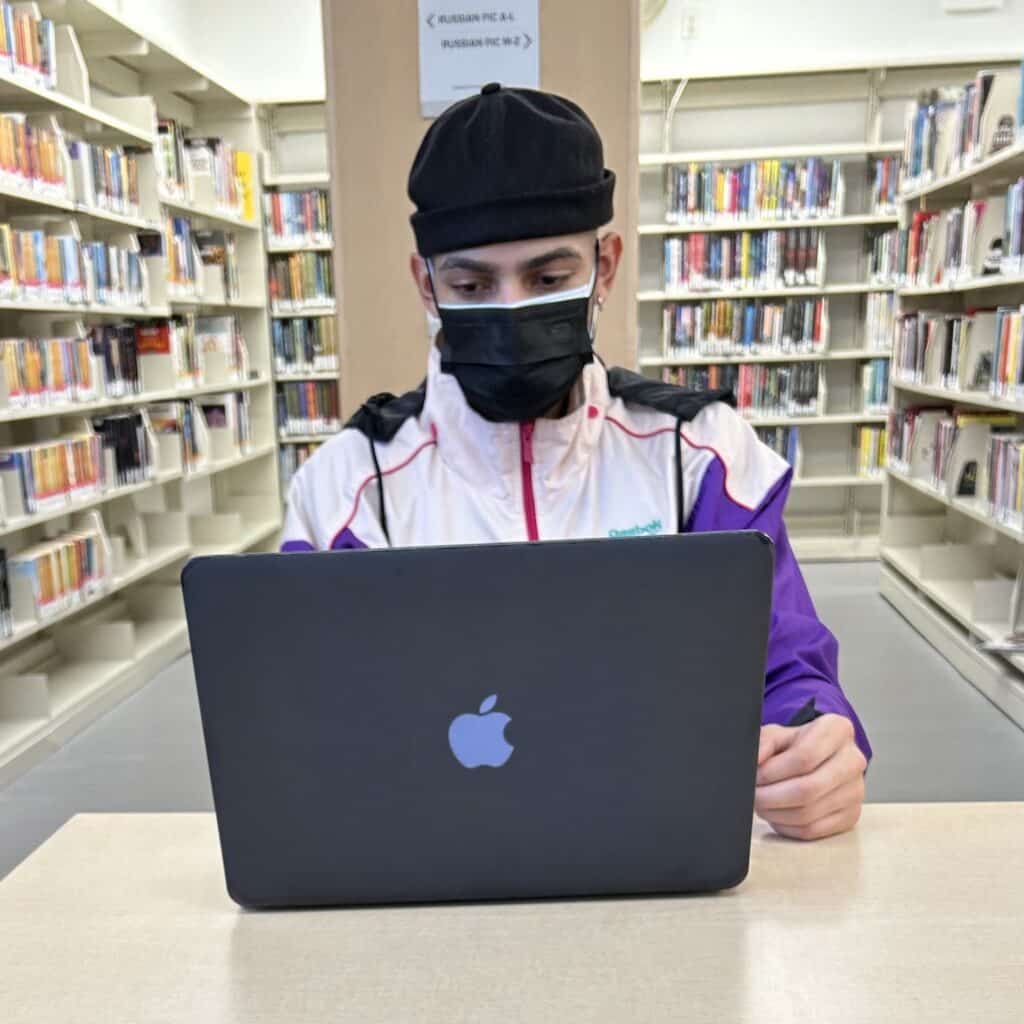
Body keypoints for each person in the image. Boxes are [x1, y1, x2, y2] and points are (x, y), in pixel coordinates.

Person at [282, 83, 871, 841]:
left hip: (657, 867)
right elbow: (306, 725)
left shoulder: (702, 456)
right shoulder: (345, 493)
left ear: (607, 263)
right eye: (470, 284)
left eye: (550, 278)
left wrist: (816, 741)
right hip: (430, 878)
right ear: (425, 285)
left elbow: (787, 667)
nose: (511, 307)